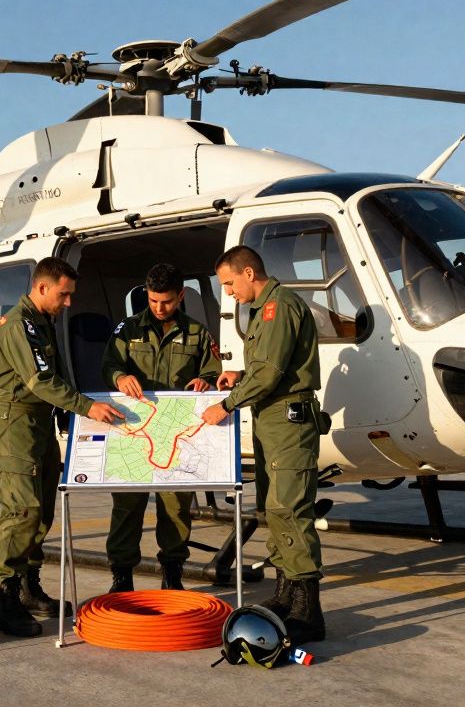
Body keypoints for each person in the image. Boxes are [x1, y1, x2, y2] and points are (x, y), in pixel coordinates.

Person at [0, 257, 125, 637]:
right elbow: (40, 381)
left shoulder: (41, 322)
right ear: (42, 287)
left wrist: (67, 413)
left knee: (42, 510)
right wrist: (86, 407)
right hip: (16, 424)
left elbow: (54, 376)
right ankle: (8, 602)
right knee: (23, 511)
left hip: (39, 423)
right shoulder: (19, 324)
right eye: (63, 295)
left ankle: (29, 589)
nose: (68, 303)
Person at [200, 245, 325, 643]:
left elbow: (270, 374)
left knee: (291, 509)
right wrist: (240, 375)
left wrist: (226, 405)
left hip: (288, 421)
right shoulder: (262, 310)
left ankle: (308, 611)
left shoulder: (277, 307)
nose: (228, 292)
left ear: (249, 273)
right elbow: (271, 366)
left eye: (229, 283)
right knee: (274, 509)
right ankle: (286, 595)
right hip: (271, 420)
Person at [99, 263, 221, 593]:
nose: (159, 307)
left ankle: (172, 572)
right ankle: (121, 576)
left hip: (175, 434)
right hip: (134, 430)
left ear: (180, 296)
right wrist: (119, 377)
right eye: (153, 300)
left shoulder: (197, 333)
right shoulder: (128, 330)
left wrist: (205, 381)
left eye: (166, 301)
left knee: (176, 507)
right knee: (127, 505)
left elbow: (213, 372)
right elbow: (108, 365)